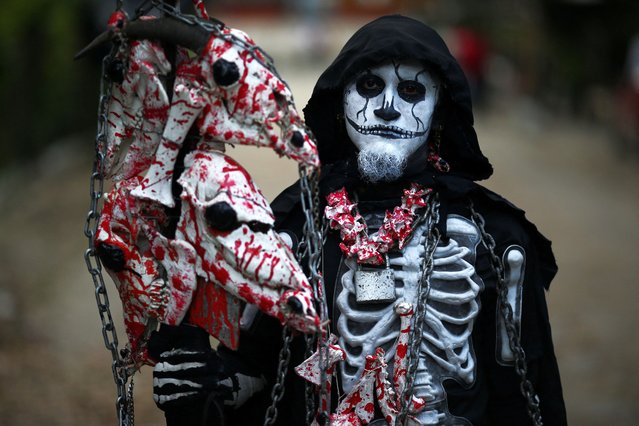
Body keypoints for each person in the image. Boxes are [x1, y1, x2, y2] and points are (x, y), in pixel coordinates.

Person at [150, 15, 566, 425]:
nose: (386, 109)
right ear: (340, 99)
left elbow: (526, 389)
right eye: (369, 86)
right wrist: (205, 383)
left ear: (439, 107)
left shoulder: (495, 235)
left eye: (410, 90)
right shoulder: (293, 226)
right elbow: (254, 366)